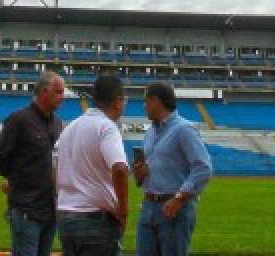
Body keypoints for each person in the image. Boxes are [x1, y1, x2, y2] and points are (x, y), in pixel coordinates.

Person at [131, 82, 213, 256]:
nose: (143, 106)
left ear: (156, 101)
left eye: (146, 102)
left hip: (174, 210)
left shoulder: (185, 130)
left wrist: (180, 198)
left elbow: (203, 167)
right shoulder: (151, 132)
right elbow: (155, 168)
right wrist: (141, 173)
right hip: (148, 206)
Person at [0, 70, 66, 256]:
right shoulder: (19, 121)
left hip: (50, 211)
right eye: (58, 92)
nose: (62, 97)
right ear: (44, 92)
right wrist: (17, 179)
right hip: (27, 211)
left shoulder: (57, 124)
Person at [53, 74, 130, 256]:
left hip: (66, 216)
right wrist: (123, 211)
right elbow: (119, 168)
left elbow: (53, 166)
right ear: (118, 101)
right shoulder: (107, 127)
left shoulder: (71, 127)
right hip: (95, 219)